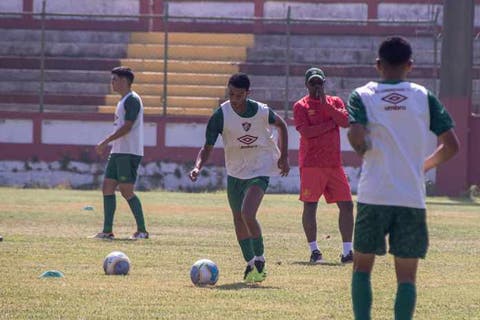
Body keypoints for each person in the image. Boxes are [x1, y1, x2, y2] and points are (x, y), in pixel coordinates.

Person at [347, 36, 459, 320]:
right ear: (410, 65)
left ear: (377, 64)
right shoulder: (424, 96)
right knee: (406, 277)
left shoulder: (362, 94)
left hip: (374, 194)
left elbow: (356, 134)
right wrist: (423, 165)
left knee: (361, 268)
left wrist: (362, 147)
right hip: (410, 196)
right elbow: (452, 145)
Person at [189, 72, 290, 283]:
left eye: (238, 95)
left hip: (260, 169)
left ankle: (260, 259)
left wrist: (284, 156)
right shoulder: (221, 115)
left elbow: (282, 125)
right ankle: (251, 263)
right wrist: (198, 167)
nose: (233, 99)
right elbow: (207, 147)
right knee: (237, 218)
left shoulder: (261, 111)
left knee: (247, 213)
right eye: (231, 93)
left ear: (247, 93)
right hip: (235, 172)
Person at [293, 67, 354, 264]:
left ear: (324, 83)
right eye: (313, 83)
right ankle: (314, 250)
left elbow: (345, 121)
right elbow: (307, 132)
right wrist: (330, 125)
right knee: (310, 206)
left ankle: (347, 252)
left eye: (320, 82)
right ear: (306, 84)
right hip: (312, 164)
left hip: (334, 164)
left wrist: (325, 106)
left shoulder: (335, 102)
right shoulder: (300, 106)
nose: (316, 86)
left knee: (347, 205)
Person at [92, 66, 149, 240]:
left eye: (114, 79)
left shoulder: (132, 99)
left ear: (124, 81)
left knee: (126, 190)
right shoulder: (122, 101)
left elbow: (127, 127)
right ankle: (107, 231)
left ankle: (142, 231)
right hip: (118, 151)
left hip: (129, 152)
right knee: (107, 187)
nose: (112, 83)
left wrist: (105, 141)